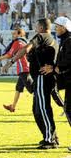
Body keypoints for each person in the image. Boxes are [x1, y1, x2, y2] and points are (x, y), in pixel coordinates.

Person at [2, 18, 59, 149]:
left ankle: (50, 140)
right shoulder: (52, 39)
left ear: (41, 27)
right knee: (37, 110)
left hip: (42, 78)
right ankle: (50, 136)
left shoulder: (41, 36)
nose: (34, 29)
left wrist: (11, 62)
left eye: (36, 26)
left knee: (43, 109)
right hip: (44, 78)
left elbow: (26, 48)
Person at [39, 16, 71, 151]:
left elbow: (68, 60)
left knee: (69, 110)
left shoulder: (69, 41)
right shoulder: (65, 41)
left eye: (57, 26)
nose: (55, 29)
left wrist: (55, 68)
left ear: (63, 28)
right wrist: (54, 68)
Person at [0, 28, 33, 112]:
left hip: (24, 69)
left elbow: (9, 55)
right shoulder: (24, 42)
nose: (13, 36)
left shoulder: (17, 42)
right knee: (18, 88)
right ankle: (13, 106)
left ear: (20, 34)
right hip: (25, 68)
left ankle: (41, 104)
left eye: (14, 34)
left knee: (33, 90)